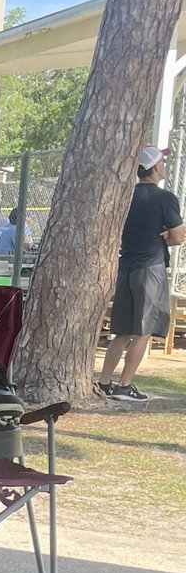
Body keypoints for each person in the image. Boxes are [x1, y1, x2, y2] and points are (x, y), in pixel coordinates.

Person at [97, 145, 184, 402]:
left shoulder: (125, 196)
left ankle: (104, 383)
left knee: (122, 330)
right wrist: (167, 235)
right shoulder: (165, 198)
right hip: (150, 268)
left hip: (126, 268)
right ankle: (125, 386)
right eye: (163, 163)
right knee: (144, 330)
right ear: (156, 168)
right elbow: (178, 236)